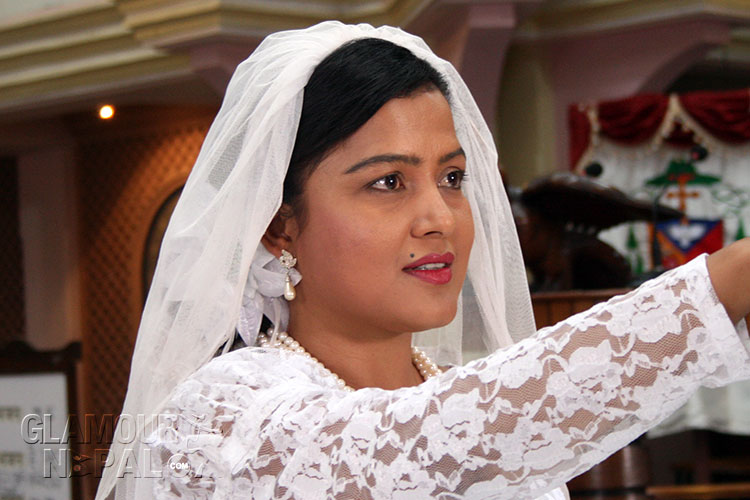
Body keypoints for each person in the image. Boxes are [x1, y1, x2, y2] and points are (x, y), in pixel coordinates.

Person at [95, 21, 750, 500]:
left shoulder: (459, 389)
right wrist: (727, 282)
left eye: (452, 178)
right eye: (388, 182)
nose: (440, 217)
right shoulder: (223, 416)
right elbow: (427, 442)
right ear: (278, 227)